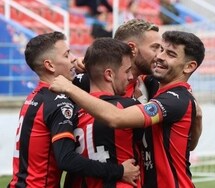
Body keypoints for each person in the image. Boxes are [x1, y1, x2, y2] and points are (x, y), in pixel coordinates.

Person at [50, 30, 204, 188]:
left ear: (189, 67)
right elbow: (188, 144)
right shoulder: (154, 88)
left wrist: (69, 88)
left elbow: (117, 118)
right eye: (161, 50)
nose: (159, 57)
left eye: (170, 54)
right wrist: (92, 62)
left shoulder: (175, 99)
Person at [7, 32, 139, 188]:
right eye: (66, 54)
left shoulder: (34, 98)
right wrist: (119, 170)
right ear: (50, 65)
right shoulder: (61, 104)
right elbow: (67, 160)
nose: (73, 59)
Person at [64, 38, 143, 188]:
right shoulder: (127, 107)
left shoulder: (71, 111)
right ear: (109, 75)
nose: (131, 77)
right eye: (127, 71)